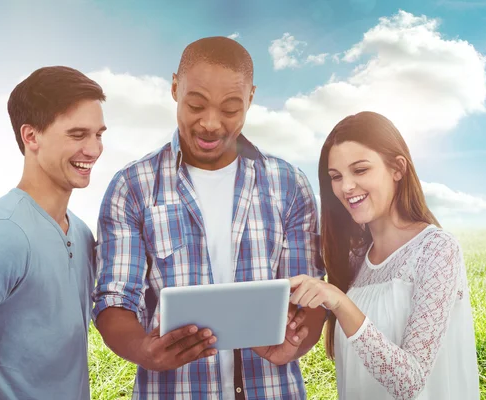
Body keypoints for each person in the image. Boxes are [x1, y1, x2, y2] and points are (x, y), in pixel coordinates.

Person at [92, 36, 327, 399]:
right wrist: (143, 350)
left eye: (230, 109)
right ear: (175, 88)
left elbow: (310, 296)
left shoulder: (289, 185)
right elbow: (114, 300)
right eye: (196, 105)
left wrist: (296, 345)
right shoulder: (133, 187)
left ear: (250, 98)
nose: (211, 124)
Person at [0, 66, 107, 400]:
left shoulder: (82, 233)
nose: (93, 149)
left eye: (98, 134)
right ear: (31, 136)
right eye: (77, 135)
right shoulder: (6, 235)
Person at [289, 111, 481, 399]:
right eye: (336, 176)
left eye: (360, 170)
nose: (346, 187)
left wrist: (341, 303)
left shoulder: (437, 250)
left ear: (397, 169)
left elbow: (409, 382)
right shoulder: (354, 260)